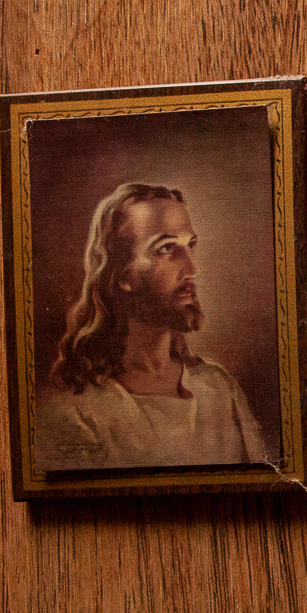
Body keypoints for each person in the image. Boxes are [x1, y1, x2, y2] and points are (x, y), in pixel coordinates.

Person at [34, 181, 268, 472]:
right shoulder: (74, 411)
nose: (192, 270)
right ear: (122, 274)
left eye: (190, 246)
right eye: (167, 248)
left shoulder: (218, 389)